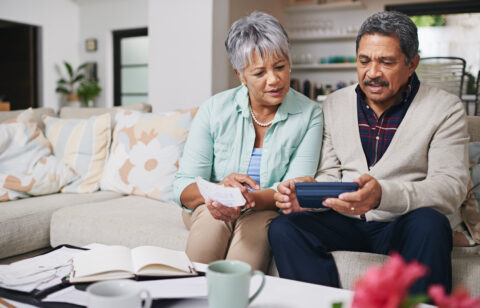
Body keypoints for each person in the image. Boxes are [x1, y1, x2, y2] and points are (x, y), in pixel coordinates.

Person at [269, 10, 469, 294]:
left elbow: (450, 188)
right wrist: (309, 196)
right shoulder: (334, 104)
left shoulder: (445, 108)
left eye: (386, 62)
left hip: (402, 223)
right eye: (364, 61)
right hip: (345, 222)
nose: (372, 73)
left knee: (430, 224)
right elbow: (329, 174)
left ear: (412, 64)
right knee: (285, 228)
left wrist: (382, 195)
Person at [173, 11, 323, 273]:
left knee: (244, 259)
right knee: (210, 226)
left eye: (280, 66)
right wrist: (219, 192)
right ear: (240, 75)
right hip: (211, 204)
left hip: (266, 208)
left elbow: (293, 188)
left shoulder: (310, 114)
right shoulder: (214, 109)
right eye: (259, 72)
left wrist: (246, 199)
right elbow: (183, 185)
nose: (274, 79)